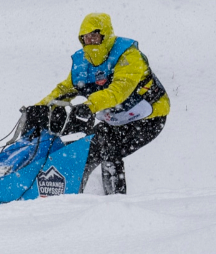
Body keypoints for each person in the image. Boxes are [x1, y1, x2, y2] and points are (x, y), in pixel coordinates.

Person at [22, 13, 169, 194]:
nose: (90, 41)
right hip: (115, 120)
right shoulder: (82, 63)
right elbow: (64, 90)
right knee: (85, 152)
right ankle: (73, 193)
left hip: (148, 119)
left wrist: (89, 106)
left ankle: (116, 201)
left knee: (109, 144)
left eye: (95, 36)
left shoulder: (128, 55)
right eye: (86, 37)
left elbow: (119, 91)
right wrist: (40, 108)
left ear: (105, 35)